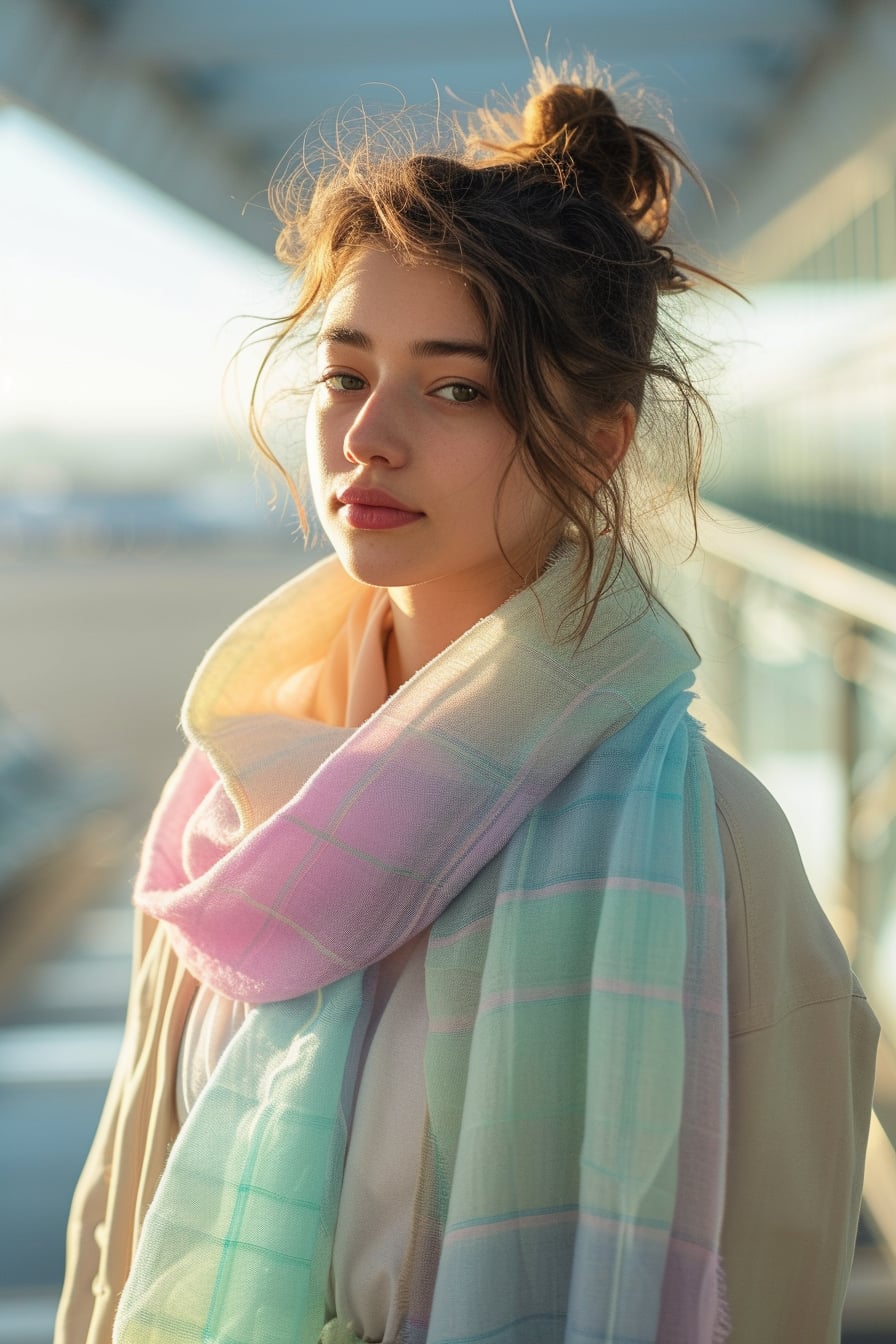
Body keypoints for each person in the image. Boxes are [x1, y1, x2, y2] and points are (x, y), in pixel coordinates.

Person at [55, 65, 878, 1344]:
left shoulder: (709, 846)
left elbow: (772, 1286)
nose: (368, 436)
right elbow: (121, 1235)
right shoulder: (231, 794)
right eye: (343, 374)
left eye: (455, 388)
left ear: (598, 442)